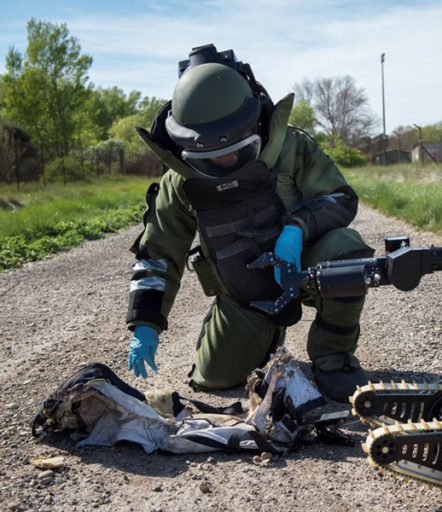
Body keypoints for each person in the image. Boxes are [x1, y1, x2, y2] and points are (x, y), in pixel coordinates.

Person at [126, 44, 374, 402]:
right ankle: (262, 337)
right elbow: (157, 255)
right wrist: (145, 324)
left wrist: (296, 229)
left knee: (347, 250)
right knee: (216, 380)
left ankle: (333, 356)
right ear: (185, 148)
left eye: (239, 150)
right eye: (211, 159)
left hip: (304, 269)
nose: (228, 160)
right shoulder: (179, 182)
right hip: (243, 293)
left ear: (255, 124)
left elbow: (340, 198)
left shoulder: (291, 147)